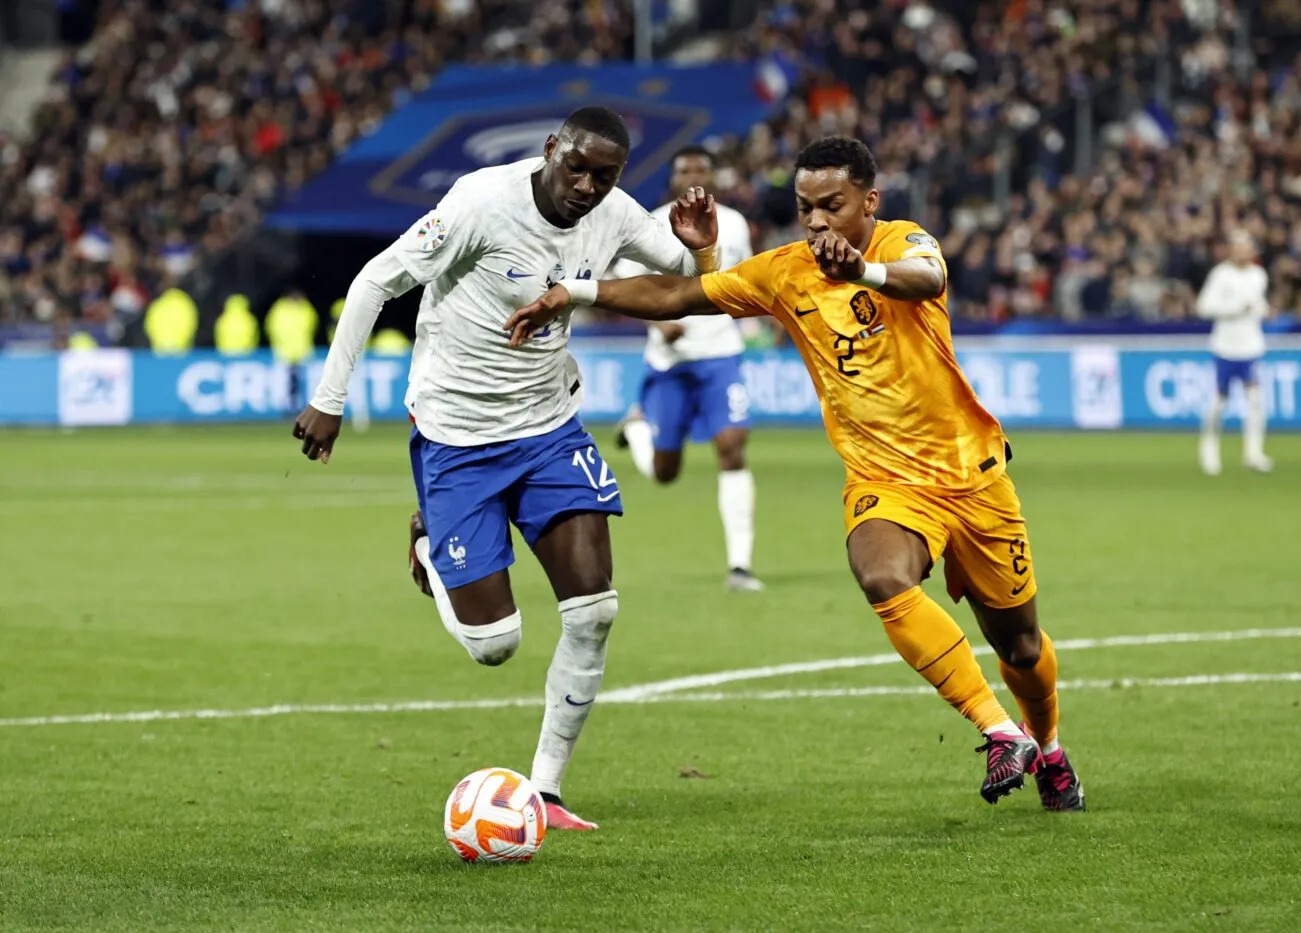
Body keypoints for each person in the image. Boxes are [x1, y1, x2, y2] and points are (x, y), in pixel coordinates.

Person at [506, 136, 1085, 811]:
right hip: (885, 480)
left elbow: (928, 278)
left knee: (1018, 644)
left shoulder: (904, 243)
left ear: (868, 201)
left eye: (832, 207)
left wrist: (862, 272)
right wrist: (570, 292)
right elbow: (678, 293)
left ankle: (1047, 746)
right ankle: (997, 730)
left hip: (973, 473)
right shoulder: (783, 272)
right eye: (805, 207)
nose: (815, 222)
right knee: (879, 572)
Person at [292, 107, 721, 830]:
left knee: (595, 611)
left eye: (605, 175)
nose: (587, 185)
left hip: (549, 428)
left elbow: (684, 273)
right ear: (552, 149)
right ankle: (430, 542)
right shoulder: (480, 203)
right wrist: (329, 400)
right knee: (496, 646)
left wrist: (702, 249)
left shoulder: (613, 212)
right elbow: (374, 281)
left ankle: (546, 791)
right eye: (576, 166)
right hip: (457, 436)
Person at [610, 146, 763, 592]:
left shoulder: (732, 223)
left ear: (713, 176)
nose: (693, 175)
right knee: (664, 472)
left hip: (720, 355)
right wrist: (659, 322)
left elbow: (743, 281)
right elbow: (623, 287)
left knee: (733, 445)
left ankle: (740, 566)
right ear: (672, 178)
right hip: (670, 361)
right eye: (684, 169)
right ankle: (637, 429)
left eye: (701, 168)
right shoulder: (651, 223)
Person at [1196, 230, 1273, 475]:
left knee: (1255, 401)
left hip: (1250, 346)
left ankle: (1253, 453)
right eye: (1238, 247)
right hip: (1225, 347)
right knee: (1219, 403)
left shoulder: (1258, 275)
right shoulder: (1220, 275)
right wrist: (1235, 308)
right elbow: (1204, 307)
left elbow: (1260, 305)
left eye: (1246, 247)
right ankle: (1209, 450)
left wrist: (1262, 309)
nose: (1242, 252)